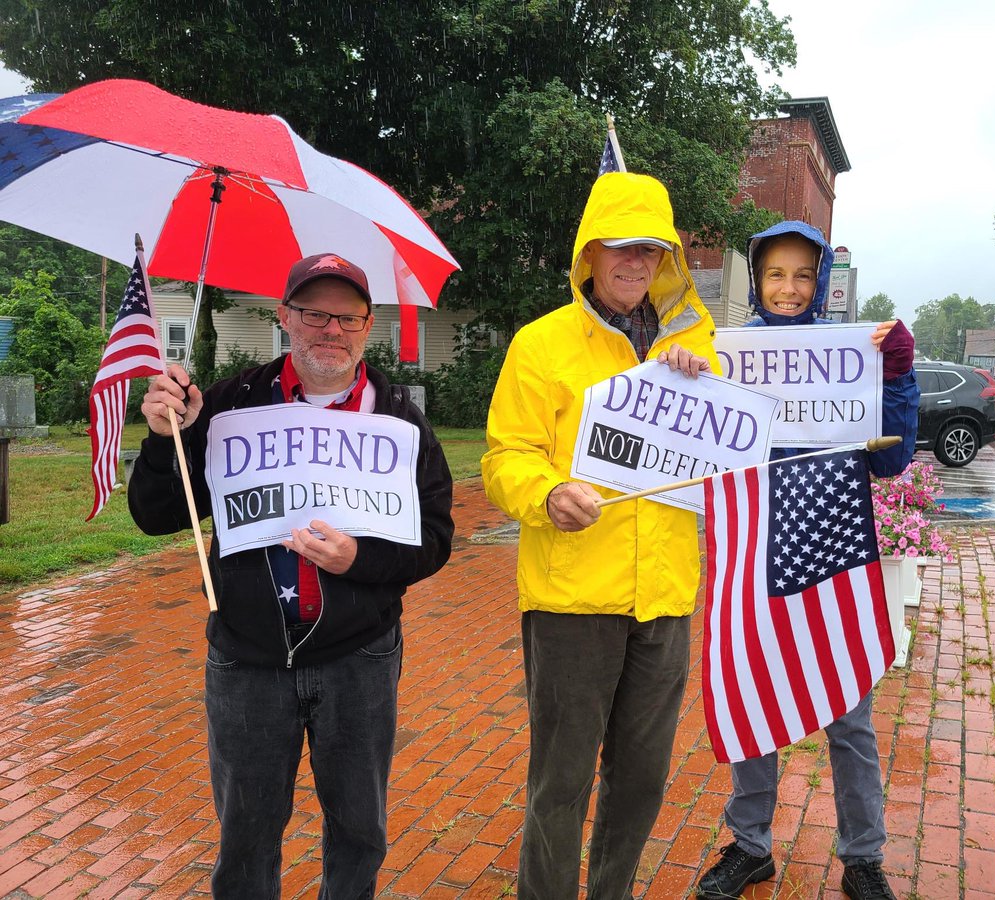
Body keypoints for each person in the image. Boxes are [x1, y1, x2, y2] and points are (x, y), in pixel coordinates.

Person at [128, 253, 455, 898]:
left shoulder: (397, 421)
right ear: (285, 317)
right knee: (246, 831)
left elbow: (436, 539)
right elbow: (156, 514)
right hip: (247, 657)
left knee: (359, 827)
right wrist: (166, 437)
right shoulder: (224, 407)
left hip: (358, 657)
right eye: (313, 314)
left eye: (346, 318)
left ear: (368, 326)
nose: (329, 330)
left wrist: (358, 561)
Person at [482, 171, 719, 900]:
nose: (634, 263)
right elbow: (503, 456)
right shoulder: (541, 344)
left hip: (665, 598)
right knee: (562, 780)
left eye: (650, 250)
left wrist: (698, 378)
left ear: (667, 260)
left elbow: (736, 444)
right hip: (572, 601)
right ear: (590, 253)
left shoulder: (698, 344)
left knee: (644, 776)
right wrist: (547, 492)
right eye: (619, 247)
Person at [696, 221, 918, 900]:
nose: (787, 289)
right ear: (756, 281)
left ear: (820, 280)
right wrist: (688, 372)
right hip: (753, 550)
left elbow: (891, 460)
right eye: (774, 275)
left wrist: (898, 379)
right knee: (754, 699)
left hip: (831, 550)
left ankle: (863, 857)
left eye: (801, 274)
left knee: (849, 716)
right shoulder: (725, 355)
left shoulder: (846, 353)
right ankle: (750, 846)